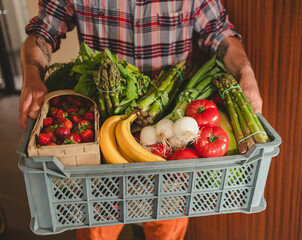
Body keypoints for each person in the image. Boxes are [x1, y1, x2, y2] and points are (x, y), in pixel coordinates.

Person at [19, 0, 263, 239]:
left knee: (166, 226)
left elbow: (220, 34)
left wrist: (246, 71)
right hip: (103, 136)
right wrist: (32, 72)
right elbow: (43, 30)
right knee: (97, 228)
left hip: (169, 139)